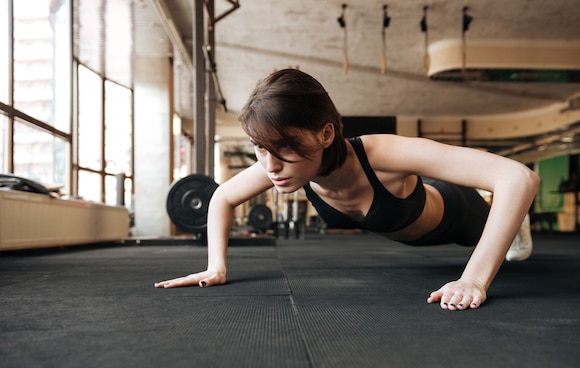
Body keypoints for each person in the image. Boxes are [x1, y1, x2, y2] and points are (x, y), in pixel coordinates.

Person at [155, 68, 539, 311]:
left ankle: (511, 217)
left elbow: (520, 176)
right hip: (411, 231)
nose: (270, 166)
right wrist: (216, 267)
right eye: (260, 148)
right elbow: (222, 196)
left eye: (284, 147)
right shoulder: (281, 165)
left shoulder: (383, 153)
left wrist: (472, 279)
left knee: (501, 215)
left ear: (325, 133)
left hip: (457, 215)